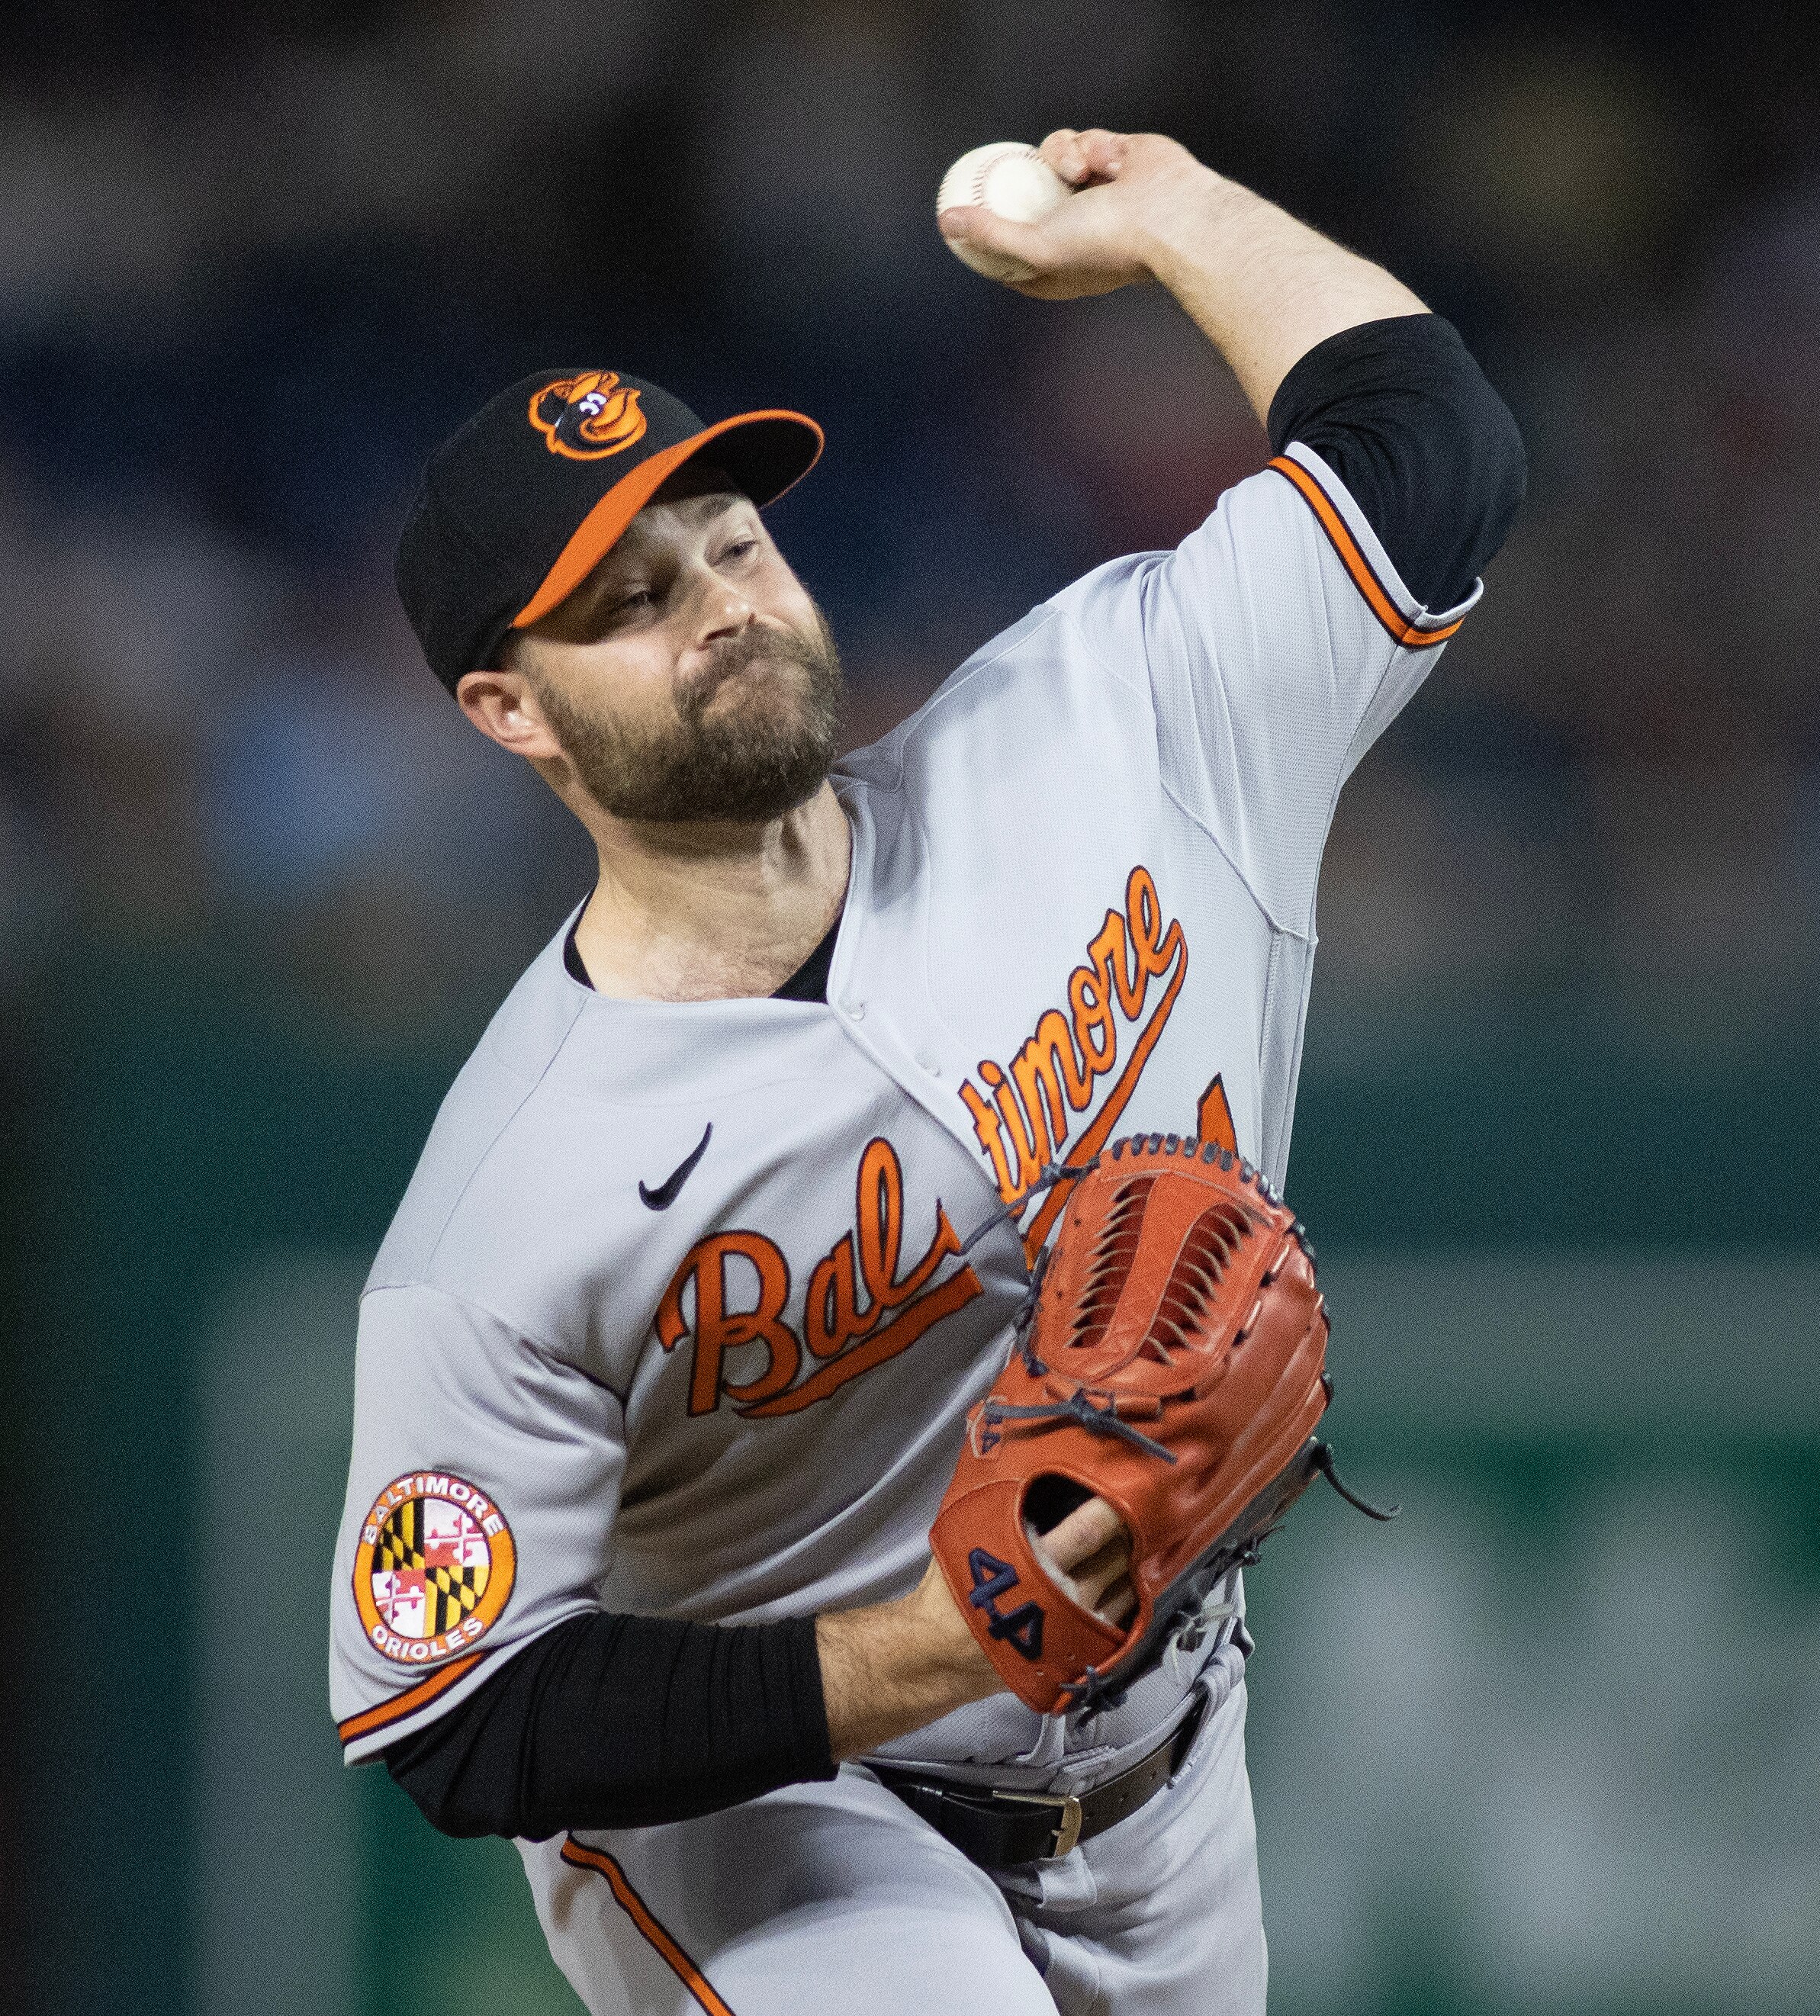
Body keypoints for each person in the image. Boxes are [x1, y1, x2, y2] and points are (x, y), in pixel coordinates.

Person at [326, 127, 1524, 2014]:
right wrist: (946, 1631)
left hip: (1169, 1767)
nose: (719, 597)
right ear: (509, 706)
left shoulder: (1119, 721)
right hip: (780, 1813)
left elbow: (1429, 449)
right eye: (628, 598)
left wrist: (1173, 215)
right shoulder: (510, 1204)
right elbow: (460, 1713)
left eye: (732, 538)